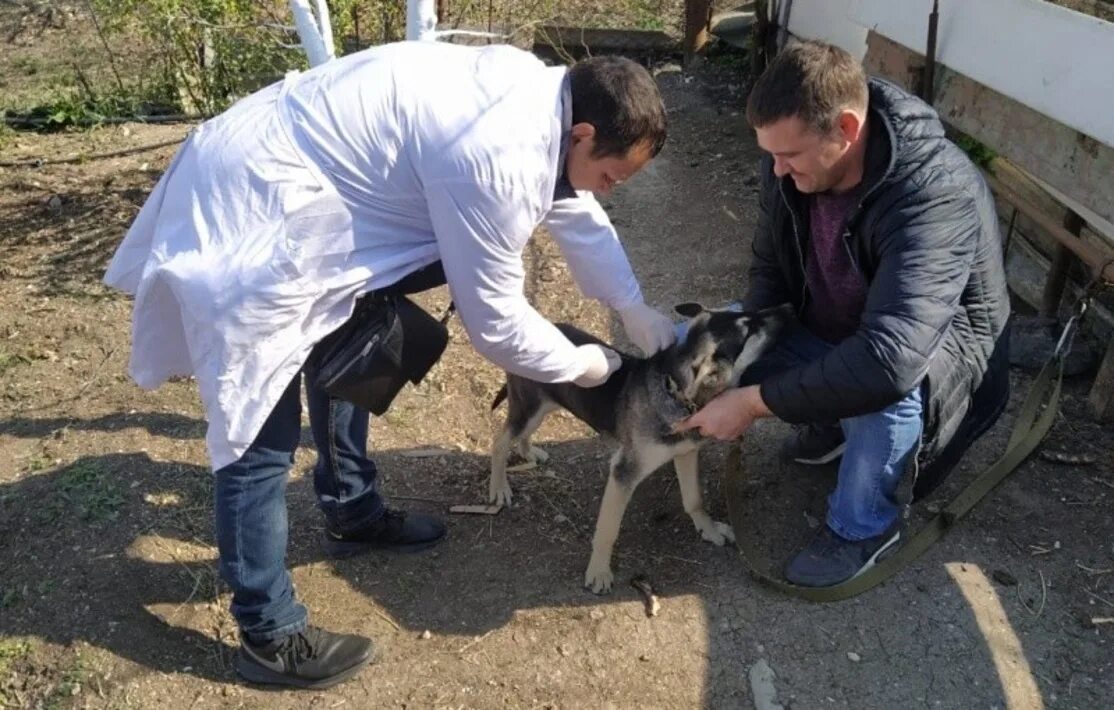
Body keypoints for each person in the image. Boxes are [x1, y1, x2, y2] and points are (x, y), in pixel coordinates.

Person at [104, 41, 676, 688]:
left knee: (352, 332)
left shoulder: (545, 94)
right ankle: (269, 635)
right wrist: (581, 364)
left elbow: (573, 202)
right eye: (613, 176)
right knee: (257, 424)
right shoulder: (497, 160)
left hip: (321, 189)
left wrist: (632, 307)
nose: (610, 190)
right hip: (258, 203)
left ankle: (350, 507)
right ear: (583, 133)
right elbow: (496, 323)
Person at [678, 40, 1010, 588]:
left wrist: (751, 402)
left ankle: (864, 526)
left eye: (790, 155)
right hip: (840, 335)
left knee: (883, 398)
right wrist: (741, 352)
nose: (777, 170)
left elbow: (889, 362)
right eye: (770, 154)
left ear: (848, 130)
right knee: (711, 332)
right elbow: (769, 272)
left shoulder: (934, 196)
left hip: (924, 373)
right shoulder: (787, 163)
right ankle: (832, 421)